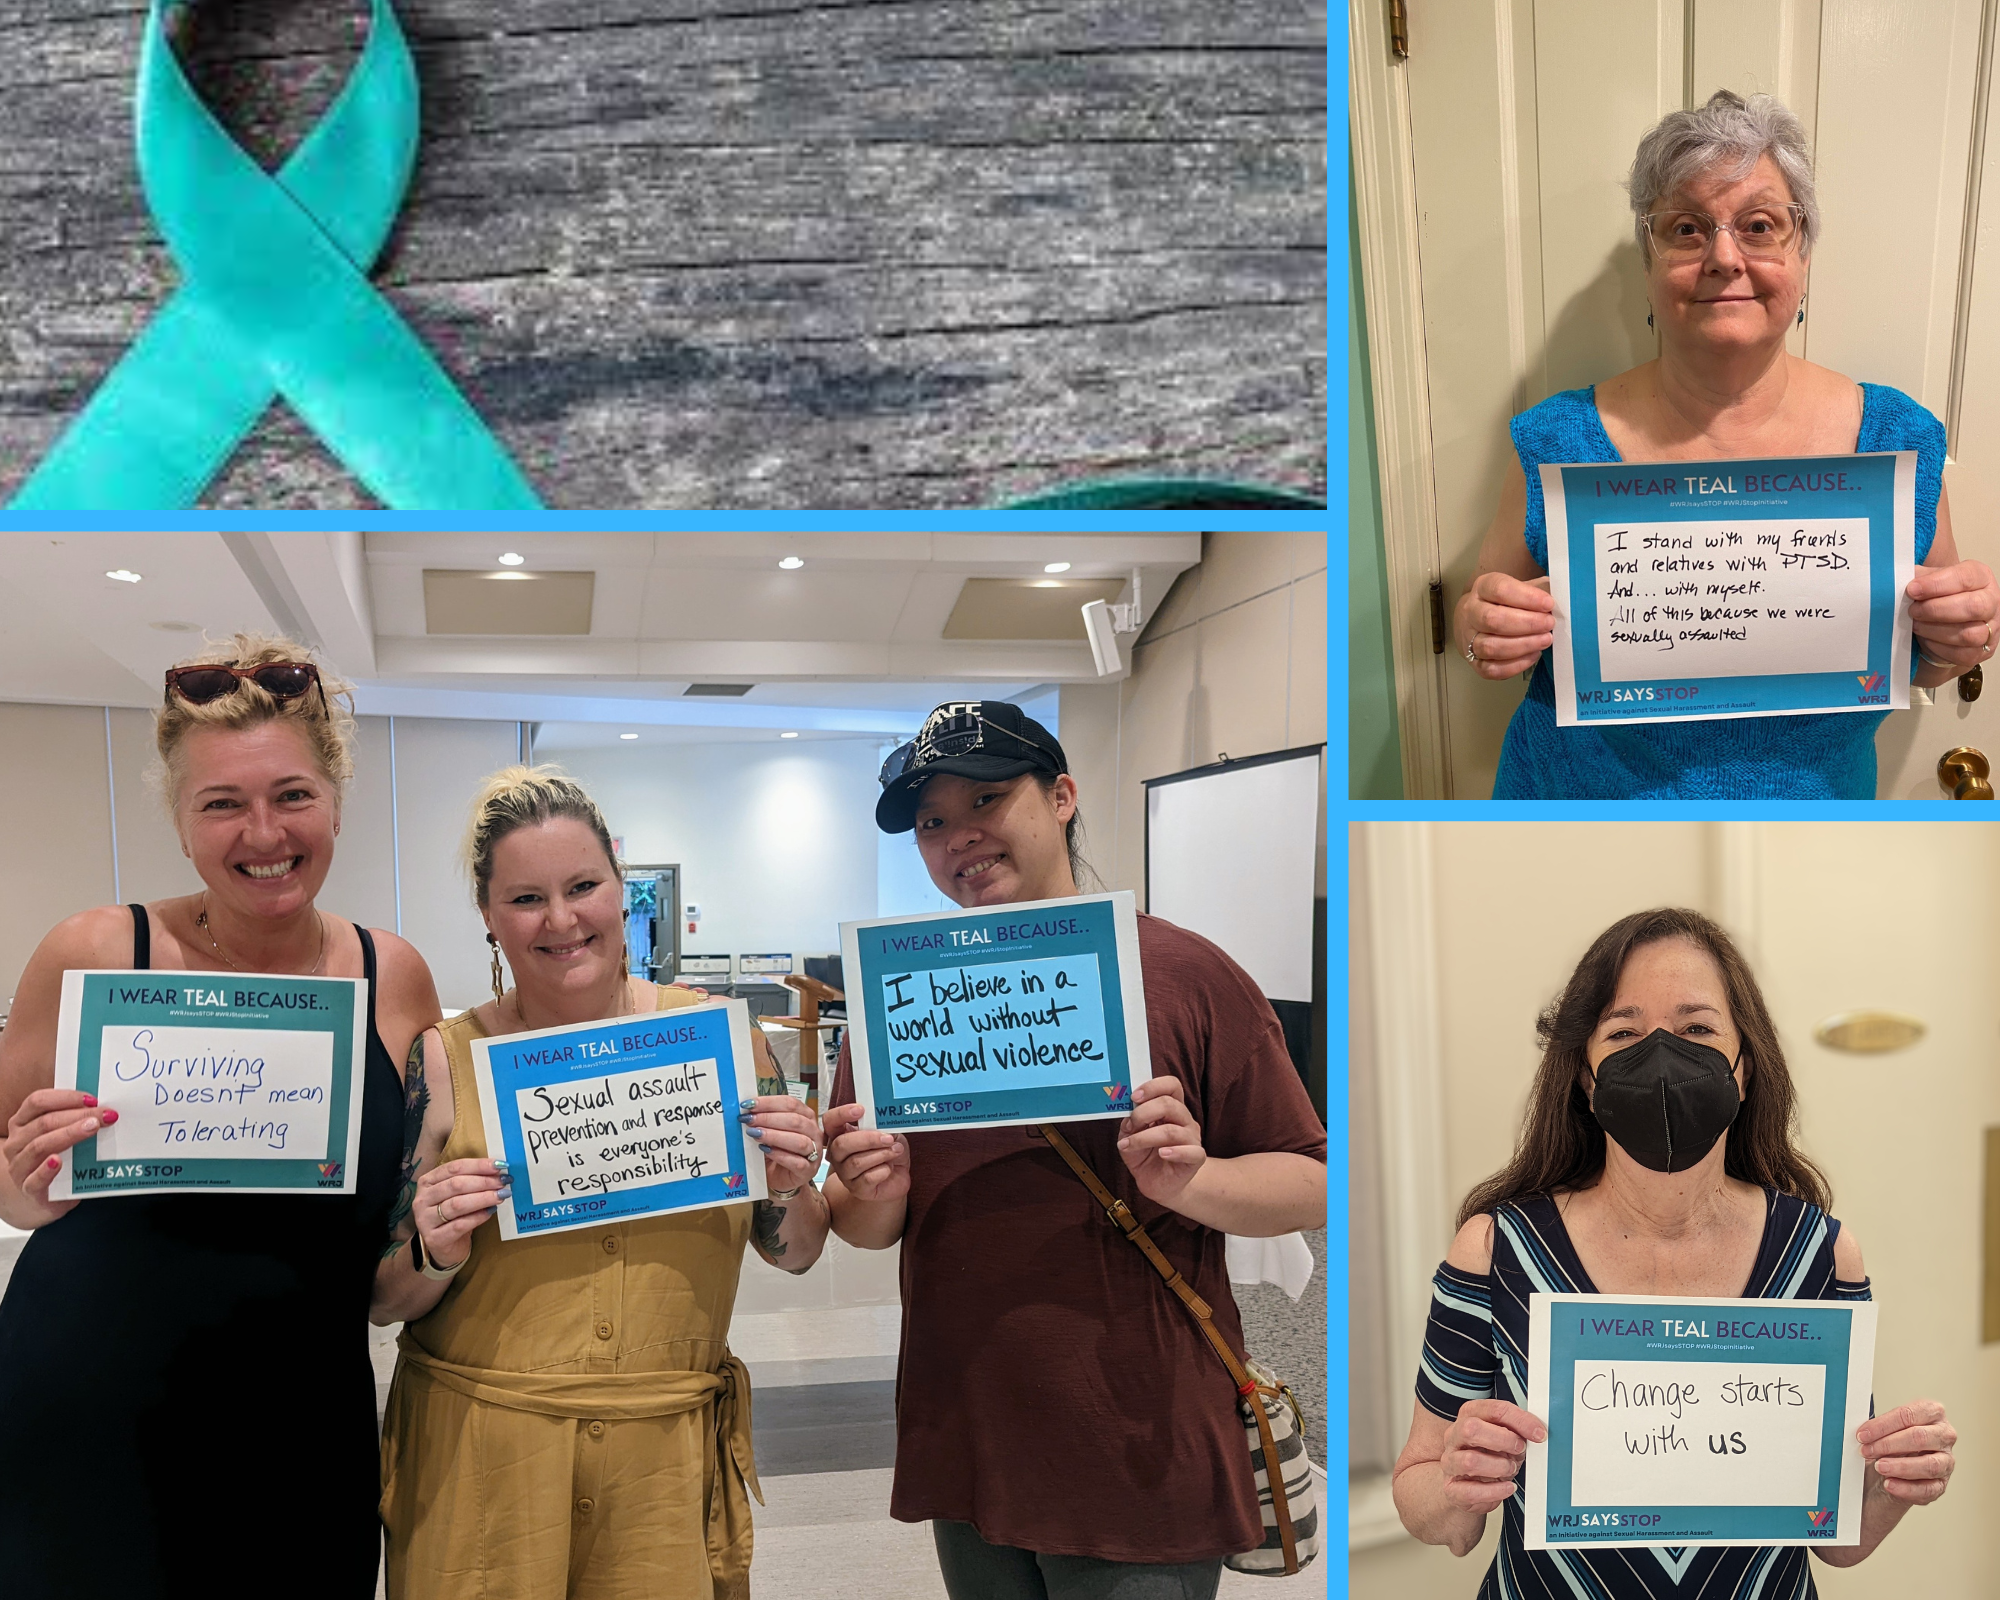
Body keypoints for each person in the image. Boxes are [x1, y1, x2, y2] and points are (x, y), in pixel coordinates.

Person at [822, 700, 1328, 1599]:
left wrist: (1197, 1179)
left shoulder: (1186, 974)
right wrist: (874, 1186)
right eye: (932, 823)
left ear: (1061, 796)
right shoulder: (897, 996)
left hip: (1139, 1439)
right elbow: (865, 1229)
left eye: (985, 801)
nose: (958, 837)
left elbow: (1311, 1182)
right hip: (969, 1433)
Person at [0, 635, 442, 1598]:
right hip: (94, 1409)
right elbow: (2, 1169)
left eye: (291, 796)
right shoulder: (96, 952)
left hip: (300, 1421)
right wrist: (20, 1184)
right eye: (222, 804)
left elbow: (406, 1218)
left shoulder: (392, 977)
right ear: (180, 820)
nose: (264, 833)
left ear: (334, 800)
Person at [1393, 908, 1957, 1594]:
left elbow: (1834, 1538)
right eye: (1624, 1032)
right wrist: (1458, 1481)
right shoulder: (1495, 1249)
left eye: (1696, 1029)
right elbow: (1427, 1502)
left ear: (1746, 1067)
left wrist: (1898, 1481)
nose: (1662, 1056)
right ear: (1585, 1074)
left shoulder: (1822, 1255)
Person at [1454, 89, 2000, 797]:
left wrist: (1959, 642)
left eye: (1760, 224)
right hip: (1576, 806)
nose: (1723, 255)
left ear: (1801, 254)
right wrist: (1481, 628)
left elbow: (1921, 660)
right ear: (1648, 263)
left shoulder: (1897, 441)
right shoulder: (1555, 441)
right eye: (1686, 228)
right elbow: (1485, 626)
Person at [374, 766, 829, 1600]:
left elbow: (796, 1253)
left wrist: (789, 1185)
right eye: (525, 898)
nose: (561, 919)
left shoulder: (719, 1044)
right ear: (488, 916)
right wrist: (432, 1249)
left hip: (660, 1476)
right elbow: (383, 1298)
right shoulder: (442, 1061)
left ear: (621, 890)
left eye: (583, 886)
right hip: (482, 1471)